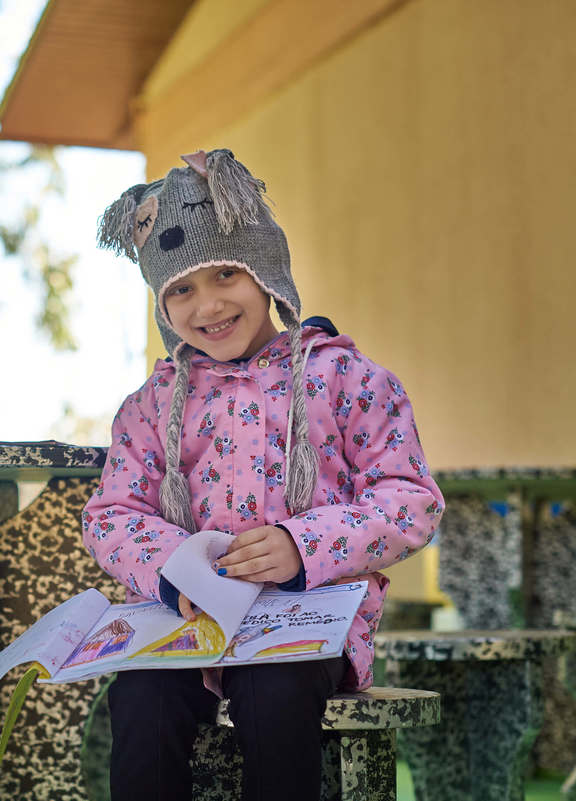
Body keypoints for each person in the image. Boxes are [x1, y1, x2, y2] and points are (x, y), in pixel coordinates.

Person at [82, 149, 445, 801]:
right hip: (191, 626)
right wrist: (171, 567)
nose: (208, 304)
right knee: (140, 695)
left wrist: (301, 545)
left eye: (227, 273)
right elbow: (112, 513)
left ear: (266, 272)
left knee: (273, 688)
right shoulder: (153, 405)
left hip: (305, 624)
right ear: (162, 303)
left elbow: (409, 499)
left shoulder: (342, 378)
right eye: (181, 288)